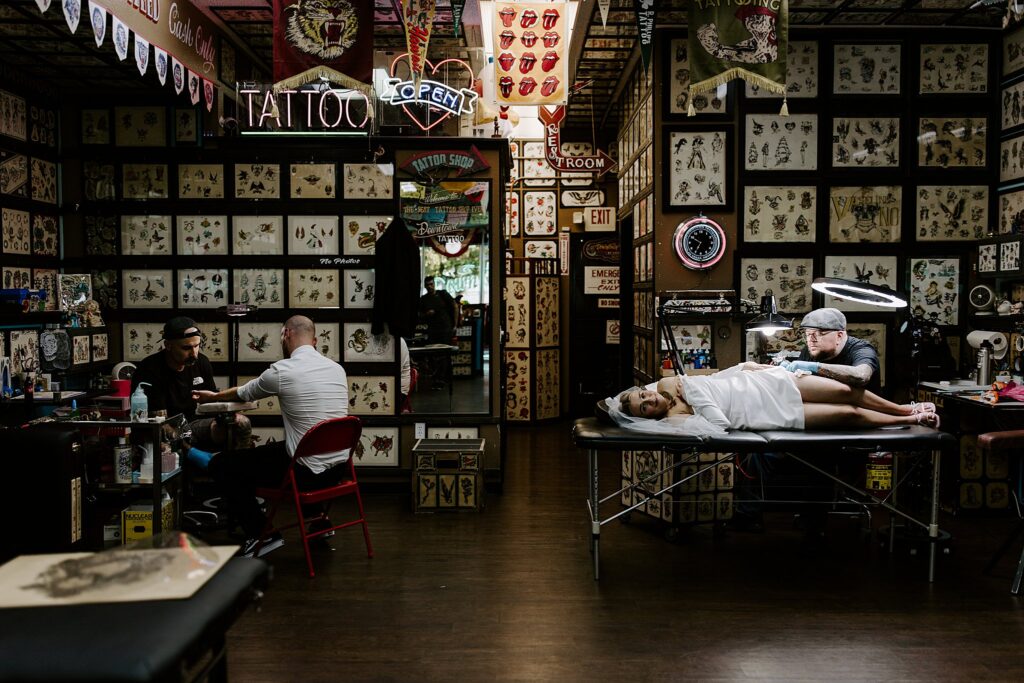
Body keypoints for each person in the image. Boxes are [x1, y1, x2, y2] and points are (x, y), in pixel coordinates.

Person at [193, 315, 349, 558]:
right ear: (315, 340)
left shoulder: (282, 370)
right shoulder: (337, 369)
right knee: (294, 449)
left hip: (306, 474)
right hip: (338, 469)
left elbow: (244, 394)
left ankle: (261, 535)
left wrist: (211, 397)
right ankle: (320, 522)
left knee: (224, 464)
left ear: (285, 335)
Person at [609, 363, 938, 434]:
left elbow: (712, 376)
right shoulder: (674, 419)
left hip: (762, 383)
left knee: (842, 390)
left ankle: (903, 407)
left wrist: (744, 365)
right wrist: (696, 394)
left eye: (643, 393)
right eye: (644, 405)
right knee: (848, 414)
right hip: (761, 412)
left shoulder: (667, 382)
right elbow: (720, 425)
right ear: (649, 416)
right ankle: (907, 420)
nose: (648, 397)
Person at [131, 316, 250, 450]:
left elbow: (212, 402)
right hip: (162, 426)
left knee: (240, 423)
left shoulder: (202, 362)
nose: (194, 354)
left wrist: (226, 416)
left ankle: (237, 468)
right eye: (186, 348)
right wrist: (191, 451)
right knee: (167, 441)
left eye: (197, 346)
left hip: (192, 423)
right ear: (168, 345)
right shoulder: (150, 369)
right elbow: (161, 423)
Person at [776, 308, 881, 394]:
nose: (811, 340)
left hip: (863, 414)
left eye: (819, 334)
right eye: (808, 334)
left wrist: (816, 367)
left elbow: (861, 375)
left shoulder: (861, 349)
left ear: (839, 336)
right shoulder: (810, 350)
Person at [419, 276, 456, 344]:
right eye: (427, 285)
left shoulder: (443, 294)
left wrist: (455, 324)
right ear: (425, 286)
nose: (429, 286)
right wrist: (427, 314)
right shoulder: (424, 299)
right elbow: (419, 314)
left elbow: (454, 306)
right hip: (433, 330)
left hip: (445, 329)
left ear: (434, 284)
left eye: (431, 284)